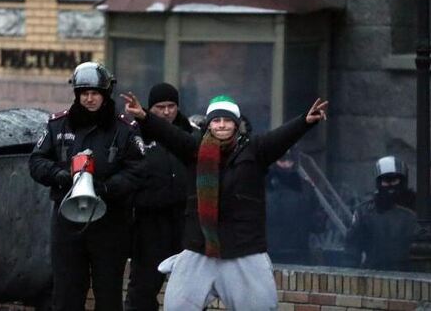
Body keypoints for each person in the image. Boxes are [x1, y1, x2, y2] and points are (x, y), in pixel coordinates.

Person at [122, 92, 328, 311]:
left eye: (227, 120)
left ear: (236, 124)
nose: (221, 125)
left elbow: (281, 137)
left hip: (243, 249)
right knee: (177, 306)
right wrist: (144, 116)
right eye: (216, 121)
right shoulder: (195, 151)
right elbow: (169, 134)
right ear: (209, 125)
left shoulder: (255, 151)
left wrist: (305, 121)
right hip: (200, 247)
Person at [29, 61, 145, 311]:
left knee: (108, 293)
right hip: (66, 223)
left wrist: (105, 188)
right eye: (84, 94)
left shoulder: (124, 129)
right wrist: (61, 176)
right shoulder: (58, 125)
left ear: (105, 94)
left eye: (95, 94)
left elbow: (138, 170)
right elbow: (36, 161)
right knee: (66, 294)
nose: (89, 99)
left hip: (110, 223)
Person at [125, 83, 193, 311]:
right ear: (149, 108)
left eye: (171, 106)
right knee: (143, 288)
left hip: (184, 220)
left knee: (190, 289)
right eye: (160, 107)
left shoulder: (191, 132)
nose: (166, 112)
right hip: (149, 222)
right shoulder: (135, 134)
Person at [345, 156, 418, 271]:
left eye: (394, 181)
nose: (390, 186)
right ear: (379, 182)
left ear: (402, 180)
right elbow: (352, 249)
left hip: (410, 277)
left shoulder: (418, 210)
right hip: (374, 276)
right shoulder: (364, 212)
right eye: (385, 181)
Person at [265, 147, 326, 265]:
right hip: (267, 256)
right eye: (282, 161)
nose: (286, 165)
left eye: (290, 161)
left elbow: (318, 224)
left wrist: (318, 219)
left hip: (298, 254)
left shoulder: (305, 188)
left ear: (294, 162)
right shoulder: (261, 187)